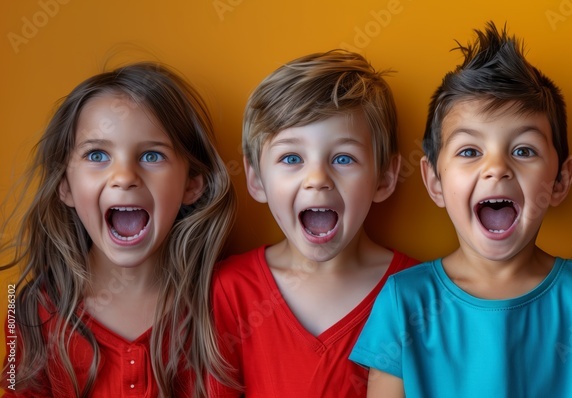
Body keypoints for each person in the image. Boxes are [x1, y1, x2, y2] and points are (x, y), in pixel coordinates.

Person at [349, 22, 572, 397]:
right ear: (434, 181)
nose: (497, 167)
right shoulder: (403, 300)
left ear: (560, 179)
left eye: (523, 150)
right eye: (470, 151)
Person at [2, 62, 236, 397]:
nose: (125, 176)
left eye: (152, 156)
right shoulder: (26, 310)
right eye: (97, 154)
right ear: (65, 185)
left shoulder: (227, 302)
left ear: (192, 183)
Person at [209, 49, 417, 398]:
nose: (317, 179)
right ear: (257, 180)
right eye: (292, 158)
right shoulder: (228, 292)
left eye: (343, 158)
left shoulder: (420, 295)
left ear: (384, 178)